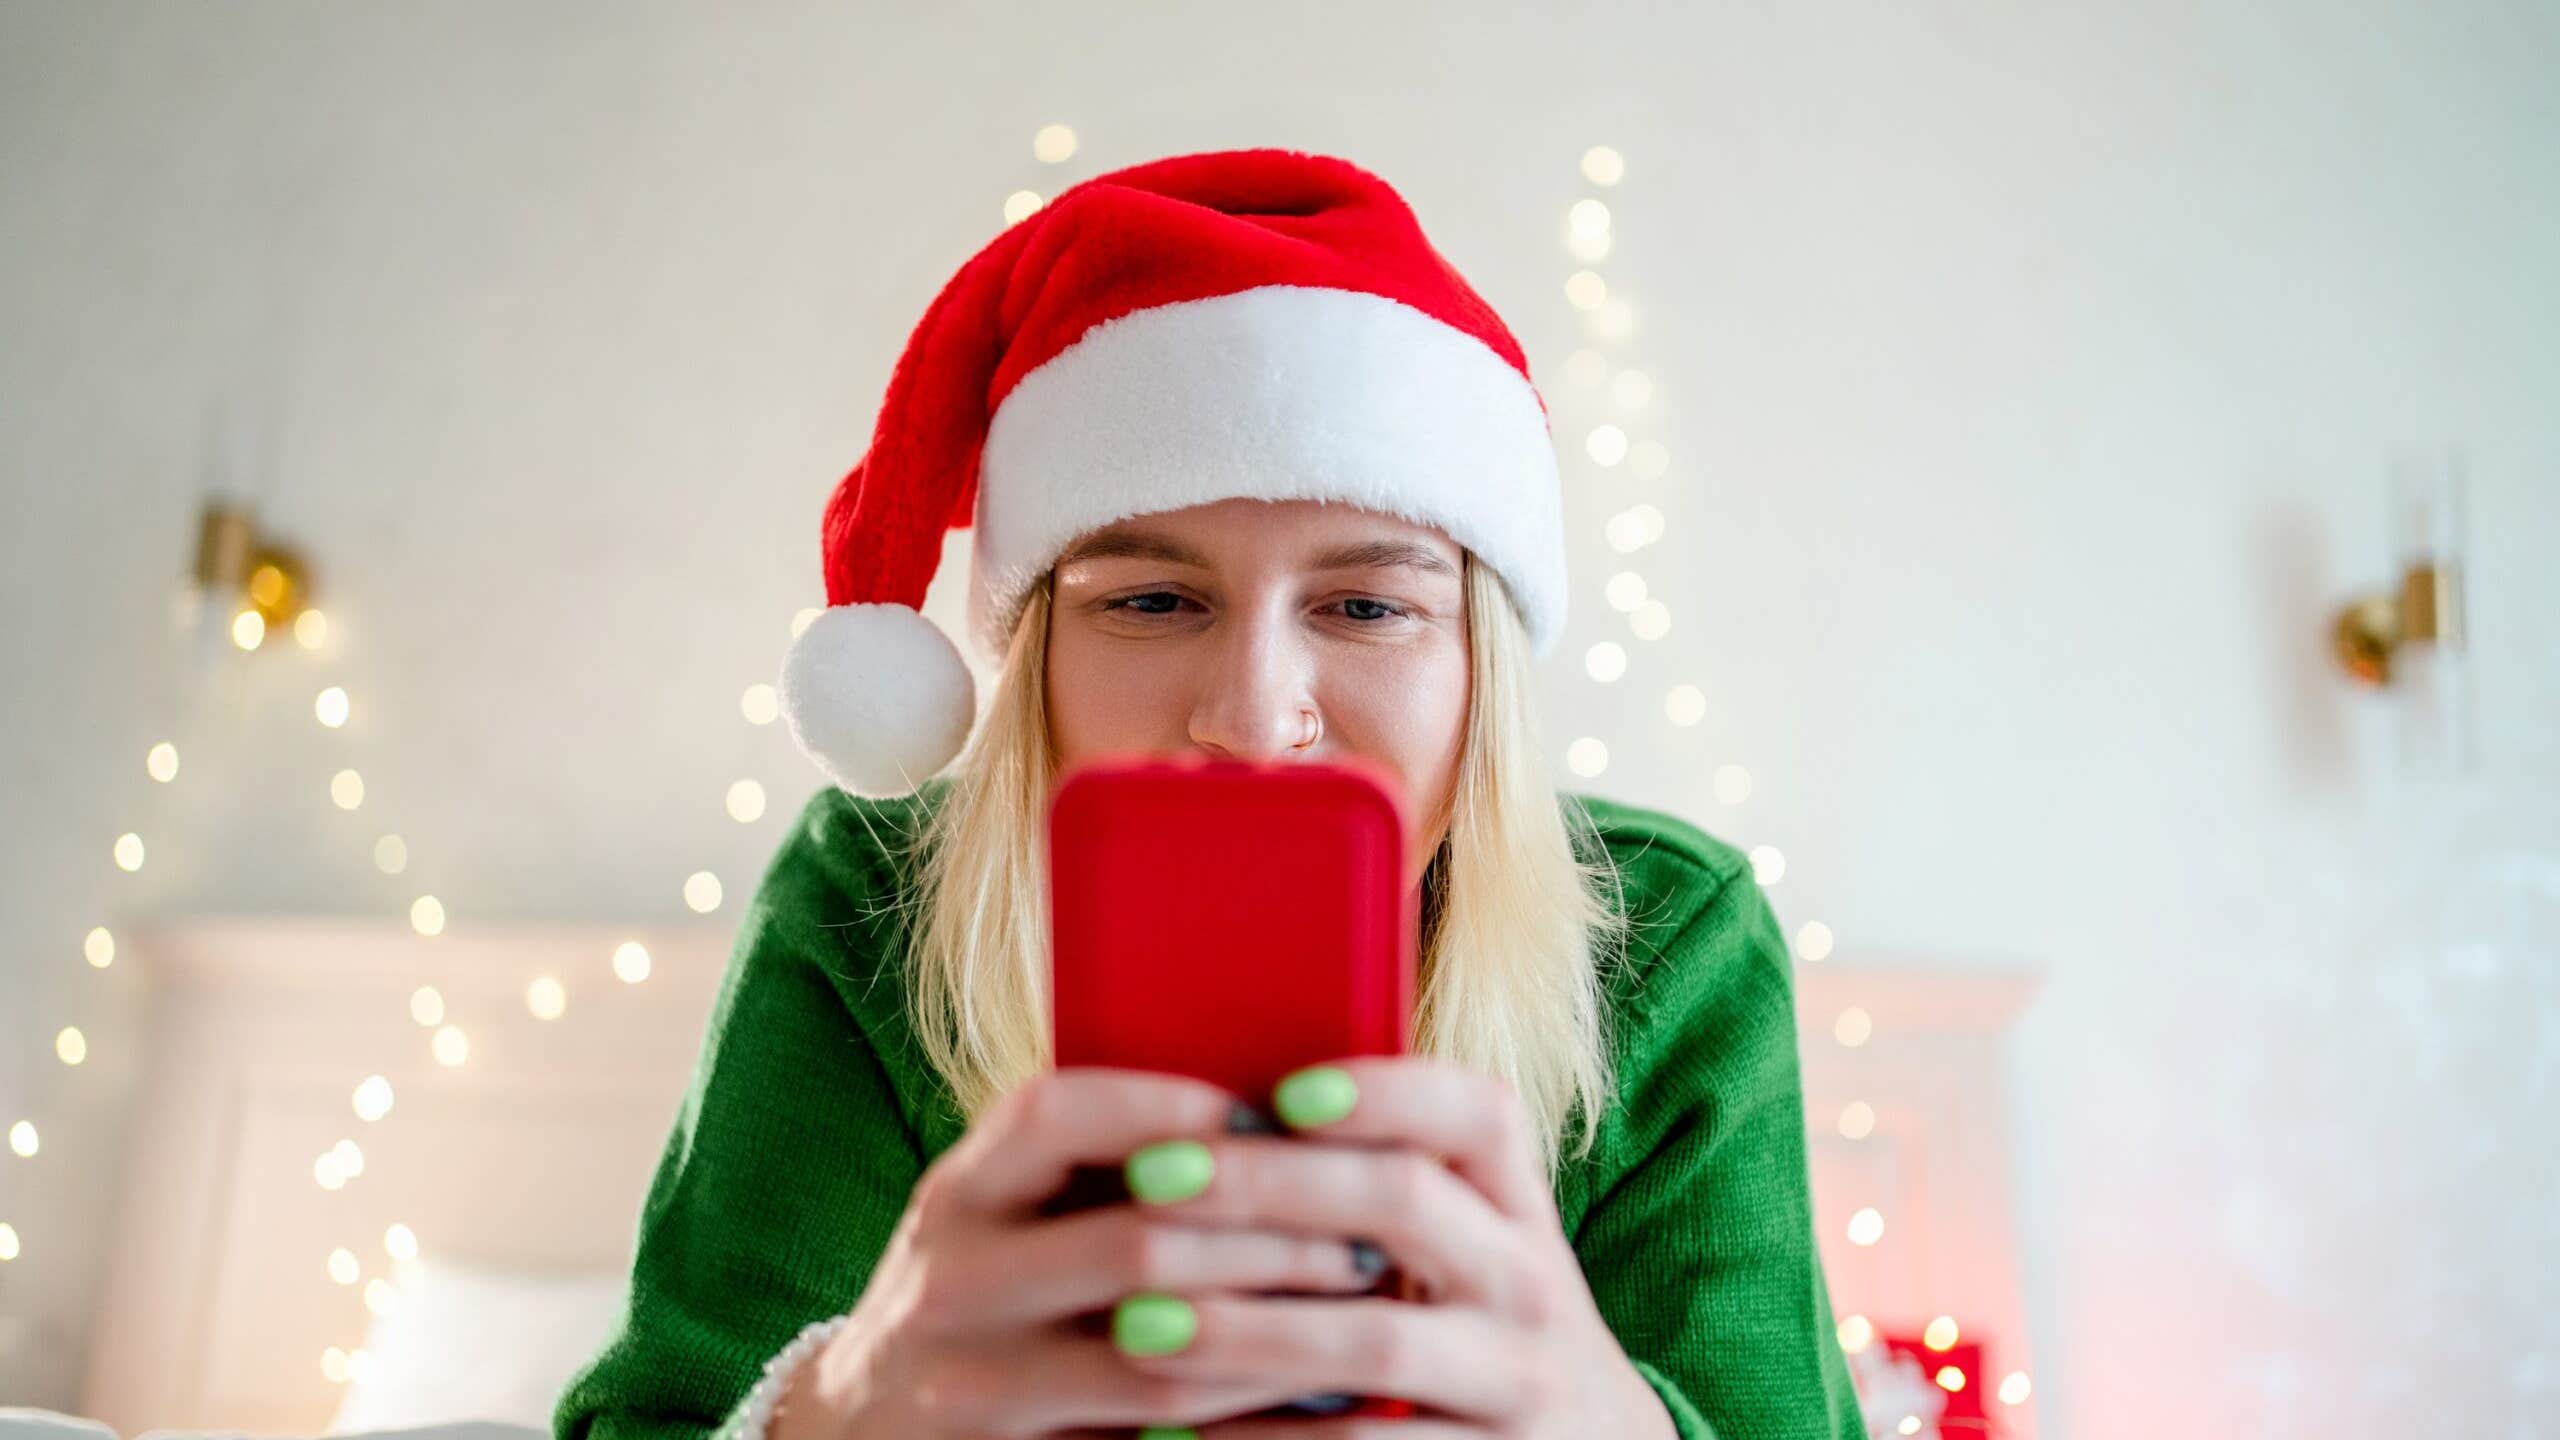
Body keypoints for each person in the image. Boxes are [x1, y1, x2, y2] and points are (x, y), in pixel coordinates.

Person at [554, 148, 1862, 1440]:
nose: (1250, 718)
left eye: (1365, 604)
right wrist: (834, 1413)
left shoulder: (1668, 943)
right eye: (1152, 601)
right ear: (1040, 658)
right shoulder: (867, 910)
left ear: (1480, 672)